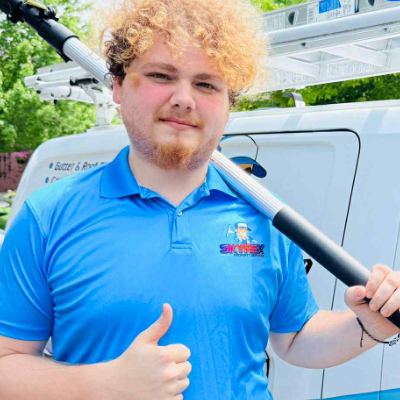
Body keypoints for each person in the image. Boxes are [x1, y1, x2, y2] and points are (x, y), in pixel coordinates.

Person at [0, 0, 400, 399]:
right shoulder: (48, 216)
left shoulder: (265, 215)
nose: (184, 99)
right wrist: (102, 385)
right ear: (118, 85)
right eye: (161, 75)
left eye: (206, 84)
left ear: (229, 106)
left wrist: (367, 326)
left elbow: (295, 338)